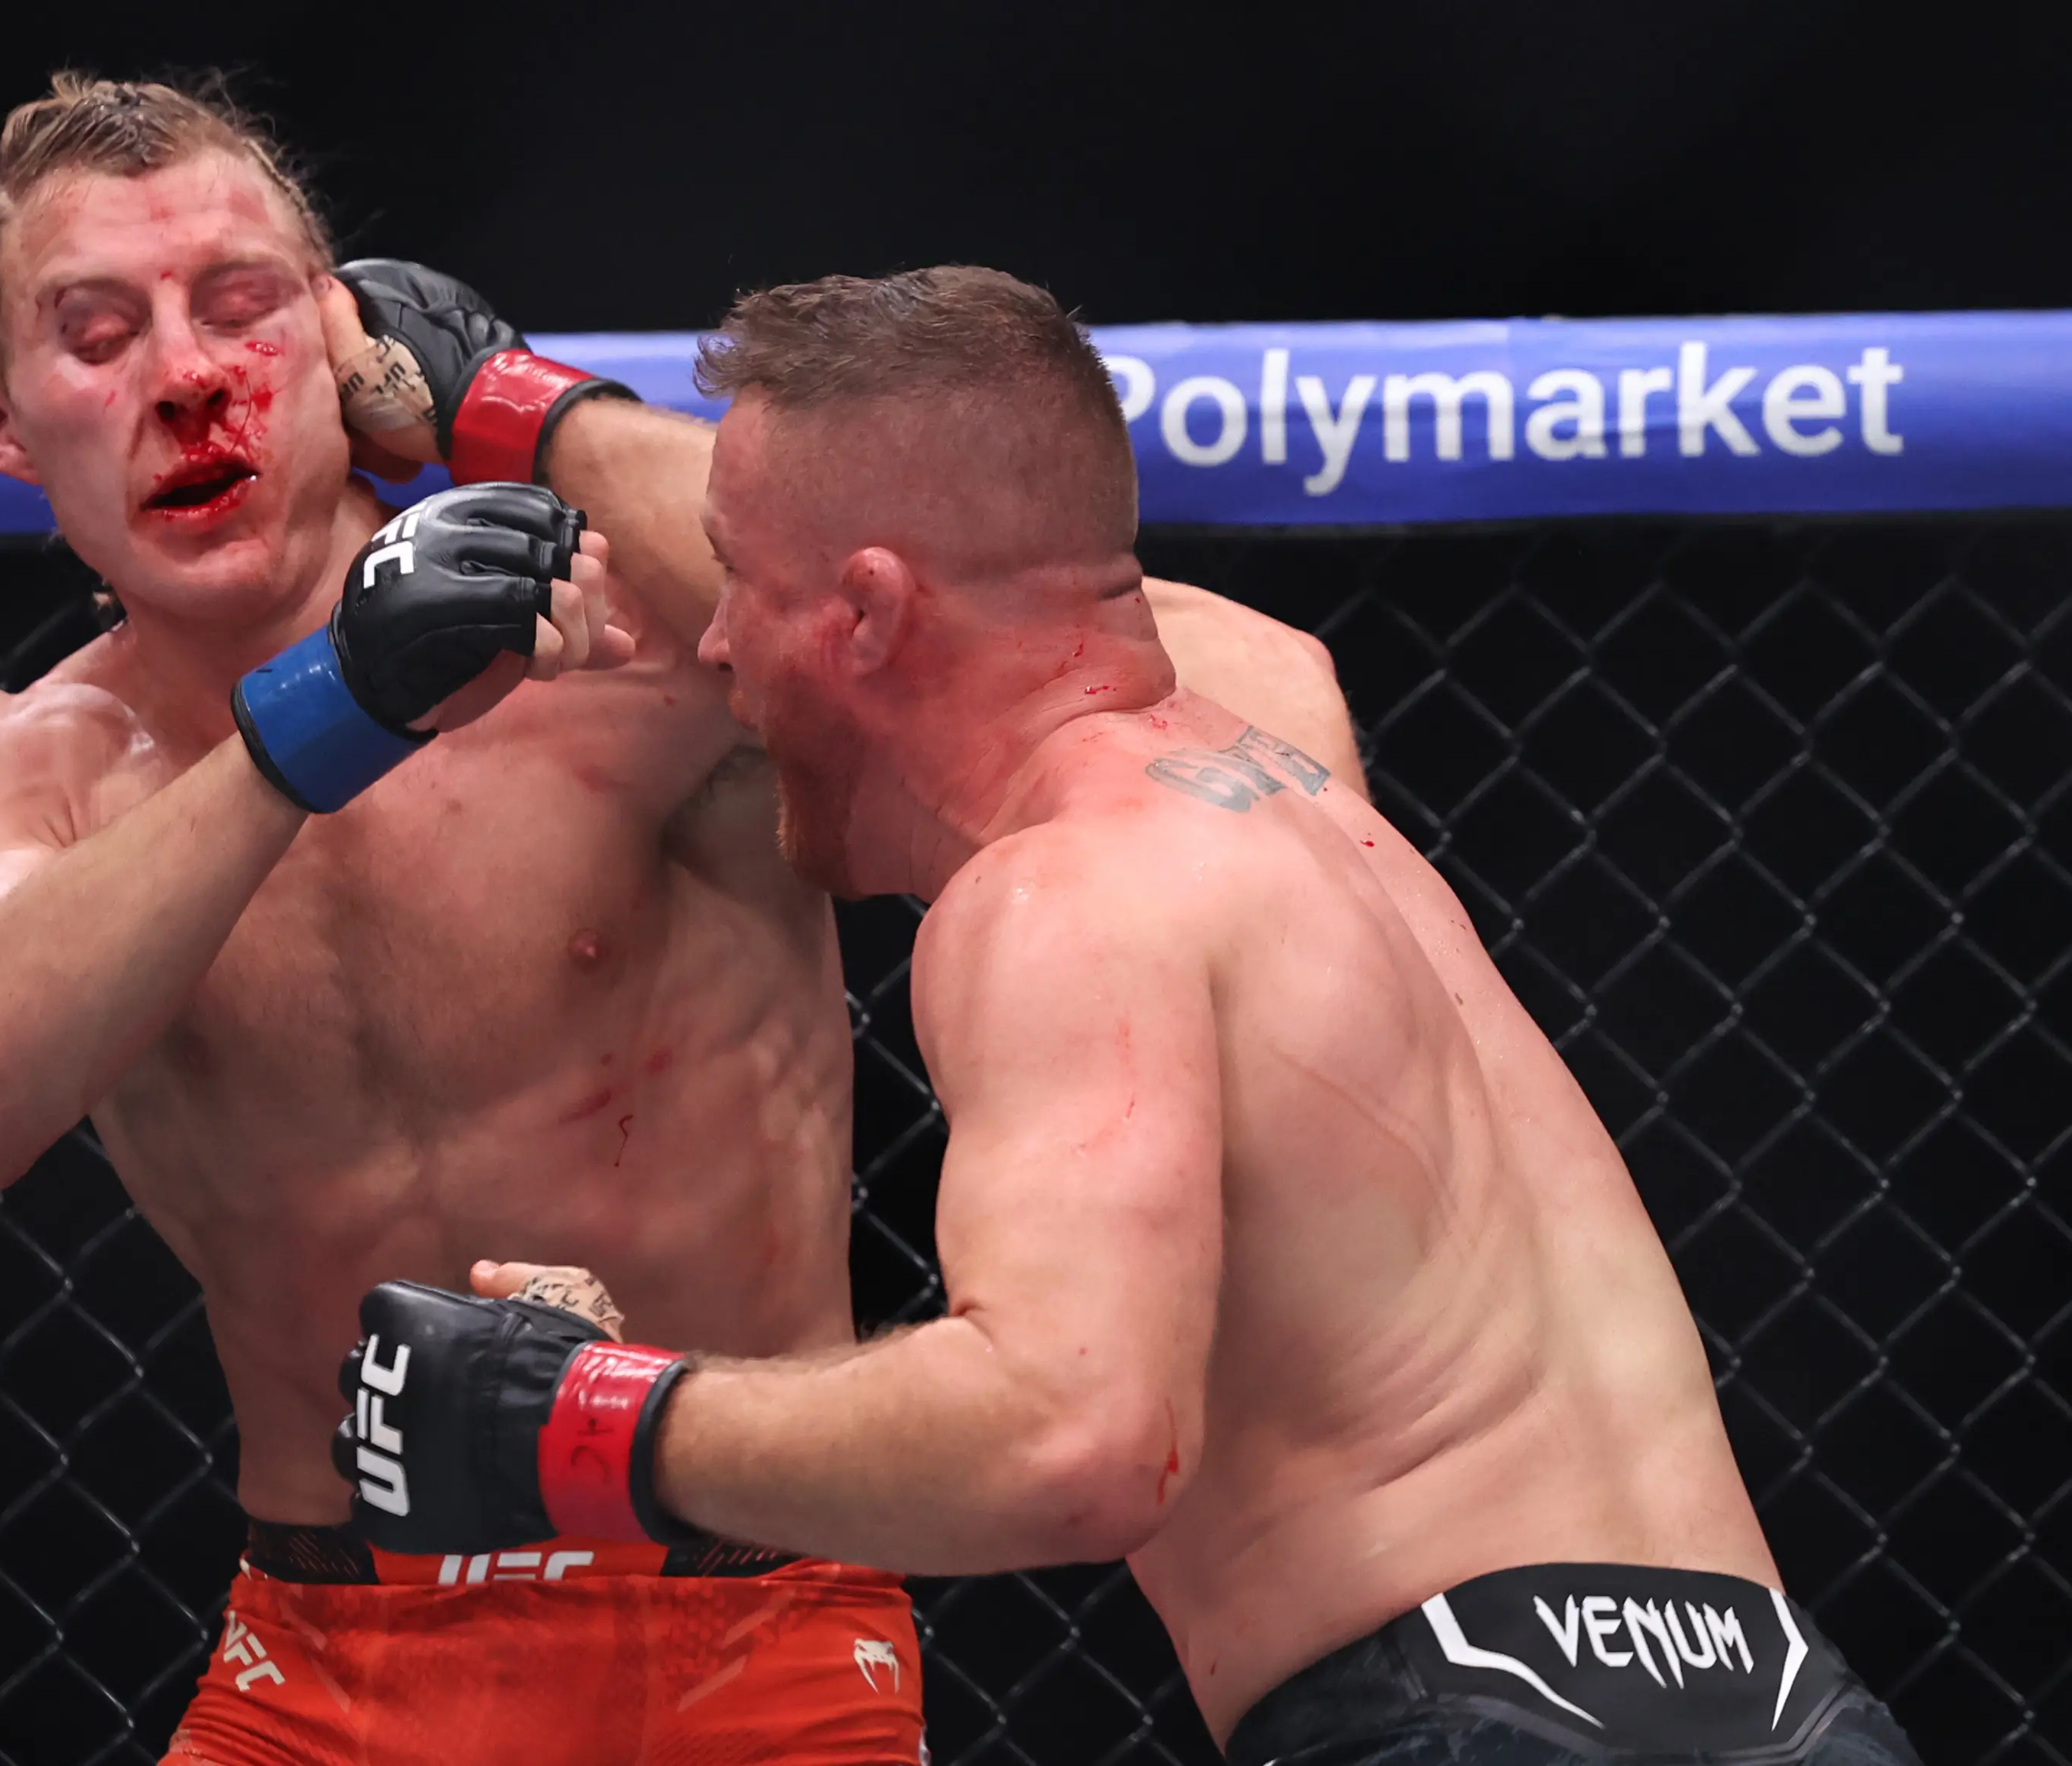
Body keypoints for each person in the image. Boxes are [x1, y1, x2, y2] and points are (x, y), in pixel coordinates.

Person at [0, 75, 1367, 1766]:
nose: (190, 377)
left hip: (747, 1618)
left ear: (340, 338)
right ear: (0, 419)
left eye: (239, 307)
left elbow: (1260, 697)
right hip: (329, 1653)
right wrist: (335, 708)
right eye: (98, 331)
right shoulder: (26, 771)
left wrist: (527, 412)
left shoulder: (636, 622)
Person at [333, 268, 1929, 1766]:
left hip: (1464, 1714)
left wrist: (587, 1418)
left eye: (744, 579)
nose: (716, 636)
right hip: (1792, 1698)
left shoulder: (1062, 898)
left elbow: (1075, 1431)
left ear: (872, 613)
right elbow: (1070, 571)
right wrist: (518, 405)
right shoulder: (1285, 764)